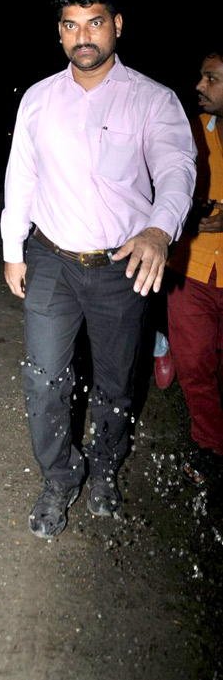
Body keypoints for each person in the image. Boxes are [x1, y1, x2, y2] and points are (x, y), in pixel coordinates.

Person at [1, 0, 196, 538]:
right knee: (43, 378)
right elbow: (22, 179)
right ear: (59, 34)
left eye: (94, 22)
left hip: (122, 268)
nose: (82, 36)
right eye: (70, 25)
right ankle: (59, 477)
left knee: (116, 382)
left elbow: (177, 168)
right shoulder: (38, 99)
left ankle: (106, 466)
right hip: (52, 261)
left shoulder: (153, 99)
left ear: (116, 26)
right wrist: (14, 251)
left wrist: (160, 230)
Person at [167, 49, 223, 485]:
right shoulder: (190, 131)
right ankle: (209, 445)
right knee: (195, 363)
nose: (200, 87)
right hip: (192, 267)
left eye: (212, 79)